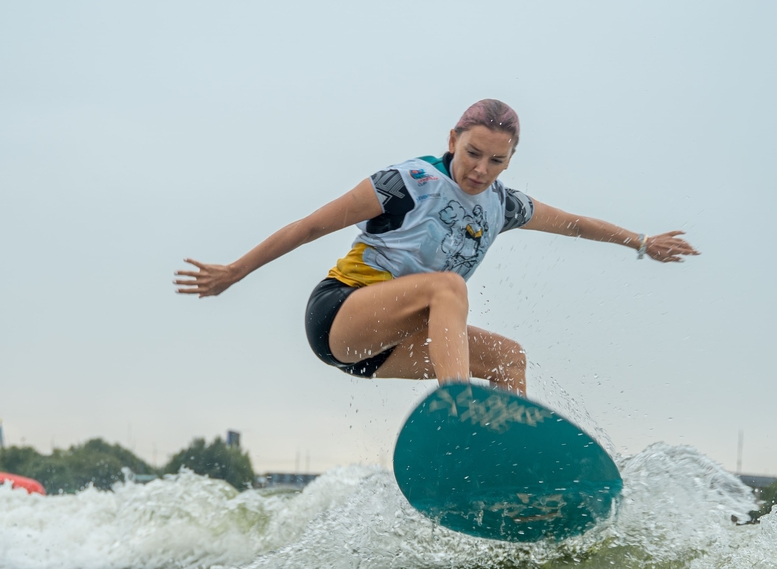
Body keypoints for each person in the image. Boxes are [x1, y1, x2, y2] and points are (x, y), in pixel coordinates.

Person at [175, 99, 698, 396]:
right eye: (473, 153)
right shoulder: (407, 181)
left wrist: (643, 242)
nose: (479, 170)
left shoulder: (503, 206)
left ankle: (500, 462)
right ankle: (458, 410)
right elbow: (310, 227)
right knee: (446, 287)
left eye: (496, 161)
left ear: (509, 162)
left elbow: (577, 224)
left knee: (508, 359)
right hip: (341, 314)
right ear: (452, 139)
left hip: (385, 350)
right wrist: (234, 272)